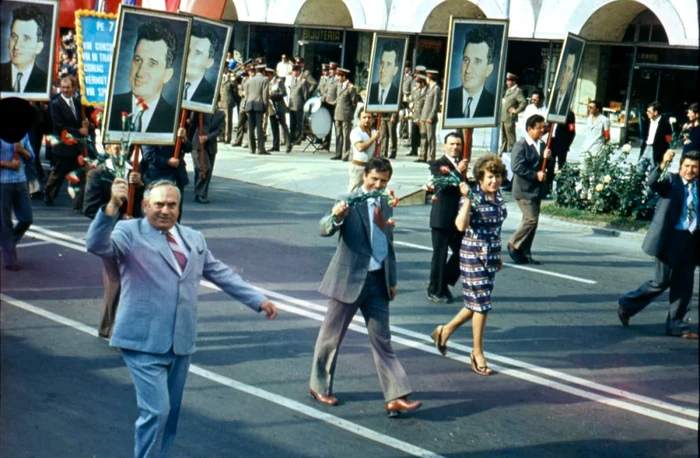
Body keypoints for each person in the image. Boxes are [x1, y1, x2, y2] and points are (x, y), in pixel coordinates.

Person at [86, 178, 278, 457]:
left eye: (172, 205)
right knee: (156, 411)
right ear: (144, 205)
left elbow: (221, 273)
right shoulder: (129, 231)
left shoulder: (193, 238)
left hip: (180, 342)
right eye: (159, 204)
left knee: (171, 415)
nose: (165, 210)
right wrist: (112, 206)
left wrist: (258, 300)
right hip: (141, 340)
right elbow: (96, 245)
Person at [309, 157, 422, 417]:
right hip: (348, 279)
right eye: (374, 179)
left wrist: (391, 280)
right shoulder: (348, 200)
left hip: (377, 281)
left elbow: (387, 244)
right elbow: (323, 228)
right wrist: (336, 216)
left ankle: (395, 396)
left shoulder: (385, 203)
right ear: (364, 177)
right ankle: (319, 386)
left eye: (383, 181)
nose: (378, 185)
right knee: (331, 337)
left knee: (383, 340)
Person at [430, 154, 507, 375]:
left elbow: (496, 229)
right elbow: (460, 225)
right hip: (473, 256)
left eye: (498, 176)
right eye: (491, 177)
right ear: (480, 179)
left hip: (490, 256)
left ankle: (444, 332)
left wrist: (498, 253)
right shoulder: (471, 197)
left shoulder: (498, 197)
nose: (495, 181)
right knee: (482, 305)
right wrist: (469, 200)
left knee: (476, 303)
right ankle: (477, 352)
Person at [618, 150, 699, 339]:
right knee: (661, 282)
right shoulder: (671, 182)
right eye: (687, 166)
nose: (690, 170)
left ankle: (677, 325)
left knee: (684, 285)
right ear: (680, 167)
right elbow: (652, 183)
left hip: (691, 240)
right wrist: (663, 163)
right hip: (670, 240)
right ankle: (627, 305)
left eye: (695, 167)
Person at [83, 163, 143, 338]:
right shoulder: (97, 174)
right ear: (107, 146)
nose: (119, 148)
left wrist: (140, 186)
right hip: (110, 235)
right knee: (115, 281)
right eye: (114, 145)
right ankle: (113, 328)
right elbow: (89, 208)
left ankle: (111, 327)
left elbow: (143, 203)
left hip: (133, 234)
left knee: (128, 282)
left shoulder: (136, 170)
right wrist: (114, 209)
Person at [108, 20, 178, 133]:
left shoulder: (174, 119)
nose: (140, 72)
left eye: (152, 64)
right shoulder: (110, 107)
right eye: (137, 60)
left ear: (167, 75)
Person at [427, 132, 468, 303]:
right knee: (440, 254)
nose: (455, 147)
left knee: (463, 252)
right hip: (442, 217)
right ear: (445, 145)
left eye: (458, 144)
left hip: (458, 217)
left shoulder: (462, 163)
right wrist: (458, 172)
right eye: (451, 144)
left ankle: (444, 283)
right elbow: (441, 183)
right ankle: (435, 290)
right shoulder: (437, 164)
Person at [507, 114, 551, 265]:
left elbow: (545, 168)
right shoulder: (521, 145)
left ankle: (525, 252)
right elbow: (516, 167)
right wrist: (535, 175)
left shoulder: (542, 145)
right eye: (538, 128)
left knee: (532, 221)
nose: (542, 130)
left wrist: (548, 158)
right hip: (524, 190)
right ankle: (514, 243)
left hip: (537, 190)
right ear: (529, 129)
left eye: (543, 127)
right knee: (531, 219)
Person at [45, 76, 89, 211]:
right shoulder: (56, 104)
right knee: (59, 173)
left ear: (73, 88)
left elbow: (82, 120)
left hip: (77, 147)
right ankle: (49, 195)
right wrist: (78, 131)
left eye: (68, 88)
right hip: (63, 146)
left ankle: (78, 204)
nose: (65, 90)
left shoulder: (77, 103)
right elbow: (59, 126)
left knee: (80, 173)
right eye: (63, 87)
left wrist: (87, 125)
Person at [446, 28, 497, 120]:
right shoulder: (449, 98)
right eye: (466, 60)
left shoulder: (493, 104)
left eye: (477, 62)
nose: (468, 70)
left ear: (489, 69)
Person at [1, 134, 34, 272]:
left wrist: (22, 151)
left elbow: (32, 158)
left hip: (20, 181)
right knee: (5, 222)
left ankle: (8, 244)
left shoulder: (23, 134)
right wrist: (7, 164)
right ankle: (9, 258)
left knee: (27, 218)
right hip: (2, 182)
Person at [0, 5, 49, 93]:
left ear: (39, 47)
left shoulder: (46, 82)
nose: (16, 46)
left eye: (26, 38)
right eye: (14, 36)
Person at [141, 133, 189, 222]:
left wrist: (184, 139)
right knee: (156, 211)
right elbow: (148, 155)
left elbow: (189, 148)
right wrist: (167, 161)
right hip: (157, 176)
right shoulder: (152, 129)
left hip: (176, 175)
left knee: (175, 211)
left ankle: (174, 233)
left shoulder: (176, 126)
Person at [188, 110, 224, 203]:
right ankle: (200, 193)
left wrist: (208, 137)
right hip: (198, 144)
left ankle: (201, 192)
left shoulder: (220, 114)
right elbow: (192, 121)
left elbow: (219, 130)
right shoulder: (200, 111)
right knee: (203, 168)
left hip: (210, 145)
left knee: (208, 171)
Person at [183, 24, 218, 105]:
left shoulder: (211, 93)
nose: (189, 57)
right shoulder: (167, 88)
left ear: (209, 62)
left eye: (198, 53)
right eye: (188, 50)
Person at [331, 68, 359, 161]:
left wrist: (351, 112)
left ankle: (345, 154)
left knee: (346, 135)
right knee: (338, 134)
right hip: (338, 113)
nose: (338, 78)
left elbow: (354, 101)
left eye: (339, 76)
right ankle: (338, 153)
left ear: (344, 77)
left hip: (346, 113)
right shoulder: (339, 86)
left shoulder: (350, 87)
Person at [348, 108, 379, 192]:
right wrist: (373, 139)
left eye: (369, 118)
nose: (367, 120)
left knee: (368, 191)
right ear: (360, 118)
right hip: (358, 167)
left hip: (370, 167)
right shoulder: (356, 132)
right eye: (364, 117)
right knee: (353, 191)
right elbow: (360, 147)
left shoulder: (373, 132)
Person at [546, 109, 576, 193]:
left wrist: (566, 144)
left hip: (562, 144)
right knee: (550, 166)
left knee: (561, 166)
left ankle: (561, 189)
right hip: (552, 142)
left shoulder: (569, 114)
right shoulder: (553, 111)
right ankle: (548, 188)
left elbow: (572, 131)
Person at [243, 64, 270, 155]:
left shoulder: (249, 81)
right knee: (259, 127)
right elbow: (265, 95)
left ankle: (252, 148)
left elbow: (246, 95)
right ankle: (260, 149)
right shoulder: (265, 79)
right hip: (259, 105)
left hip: (250, 105)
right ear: (263, 71)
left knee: (250, 128)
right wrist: (266, 107)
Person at [499, 72, 526, 155]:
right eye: (507, 80)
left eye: (508, 81)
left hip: (510, 119)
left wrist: (516, 110)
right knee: (504, 139)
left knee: (511, 139)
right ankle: (502, 154)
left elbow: (523, 102)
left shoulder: (517, 91)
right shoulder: (509, 90)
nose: (507, 82)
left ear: (514, 81)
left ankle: (512, 155)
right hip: (504, 118)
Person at [368, 40, 401, 106]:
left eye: (388, 64)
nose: (383, 70)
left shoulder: (397, 94)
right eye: (382, 63)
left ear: (395, 70)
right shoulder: (370, 90)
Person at [639, 101, 672, 166]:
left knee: (653, 171)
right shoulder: (647, 120)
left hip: (657, 150)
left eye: (649, 111)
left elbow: (668, 138)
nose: (647, 113)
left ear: (655, 112)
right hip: (646, 147)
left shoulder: (665, 123)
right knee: (639, 169)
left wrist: (668, 149)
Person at [419, 70, 441, 162]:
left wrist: (431, 117)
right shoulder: (429, 88)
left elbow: (435, 105)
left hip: (429, 118)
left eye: (427, 78)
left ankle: (431, 156)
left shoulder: (436, 89)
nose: (426, 80)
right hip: (424, 116)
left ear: (430, 78)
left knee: (431, 138)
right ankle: (422, 156)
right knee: (424, 138)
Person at [268, 69, 292, 153]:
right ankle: (275, 145)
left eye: (268, 74)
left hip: (279, 106)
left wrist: (273, 95)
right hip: (271, 107)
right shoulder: (268, 82)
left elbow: (284, 93)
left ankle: (288, 144)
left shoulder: (278, 81)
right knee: (274, 127)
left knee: (283, 126)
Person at [579, 100, 610, 166]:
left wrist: (602, 145)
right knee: (583, 169)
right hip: (586, 148)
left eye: (591, 107)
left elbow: (607, 136)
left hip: (597, 149)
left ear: (597, 109)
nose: (589, 109)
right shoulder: (588, 119)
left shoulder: (604, 120)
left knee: (595, 170)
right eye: (588, 107)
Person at [550, 51, 577, 118]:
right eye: (564, 68)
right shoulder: (551, 96)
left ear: (571, 76)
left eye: (569, 69)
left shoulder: (568, 101)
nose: (564, 74)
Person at [288, 64, 308, 146]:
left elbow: (305, 94)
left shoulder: (303, 81)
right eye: (293, 71)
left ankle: (298, 139)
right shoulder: (292, 80)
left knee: (299, 123)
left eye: (296, 71)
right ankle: (292, 138)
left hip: (299, 104)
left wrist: (303, 104)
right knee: (292, 124)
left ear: (299, 72)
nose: (294, 72)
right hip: (292, 104)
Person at [408, 74, 426, 157]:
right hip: (415, 115)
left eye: (418, 83)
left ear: (422, 84)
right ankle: (413, 150)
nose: (416, 84)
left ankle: (423, 152)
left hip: (422, 116)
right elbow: (413, 101)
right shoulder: (415, 91)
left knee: (422, 135)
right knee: (413, 133)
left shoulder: (426, 92)